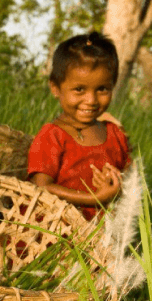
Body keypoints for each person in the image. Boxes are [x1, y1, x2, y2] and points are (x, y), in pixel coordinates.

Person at [27, 31, 131, 219]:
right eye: (79, 89)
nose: (91, 100)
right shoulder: (52, 135)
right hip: (53, 231)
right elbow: (40, 186)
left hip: (100, 236)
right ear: (55, 88)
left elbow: (131, 180)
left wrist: (115, 184)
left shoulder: (115, 134)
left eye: (102, 89)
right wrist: (94, 198)